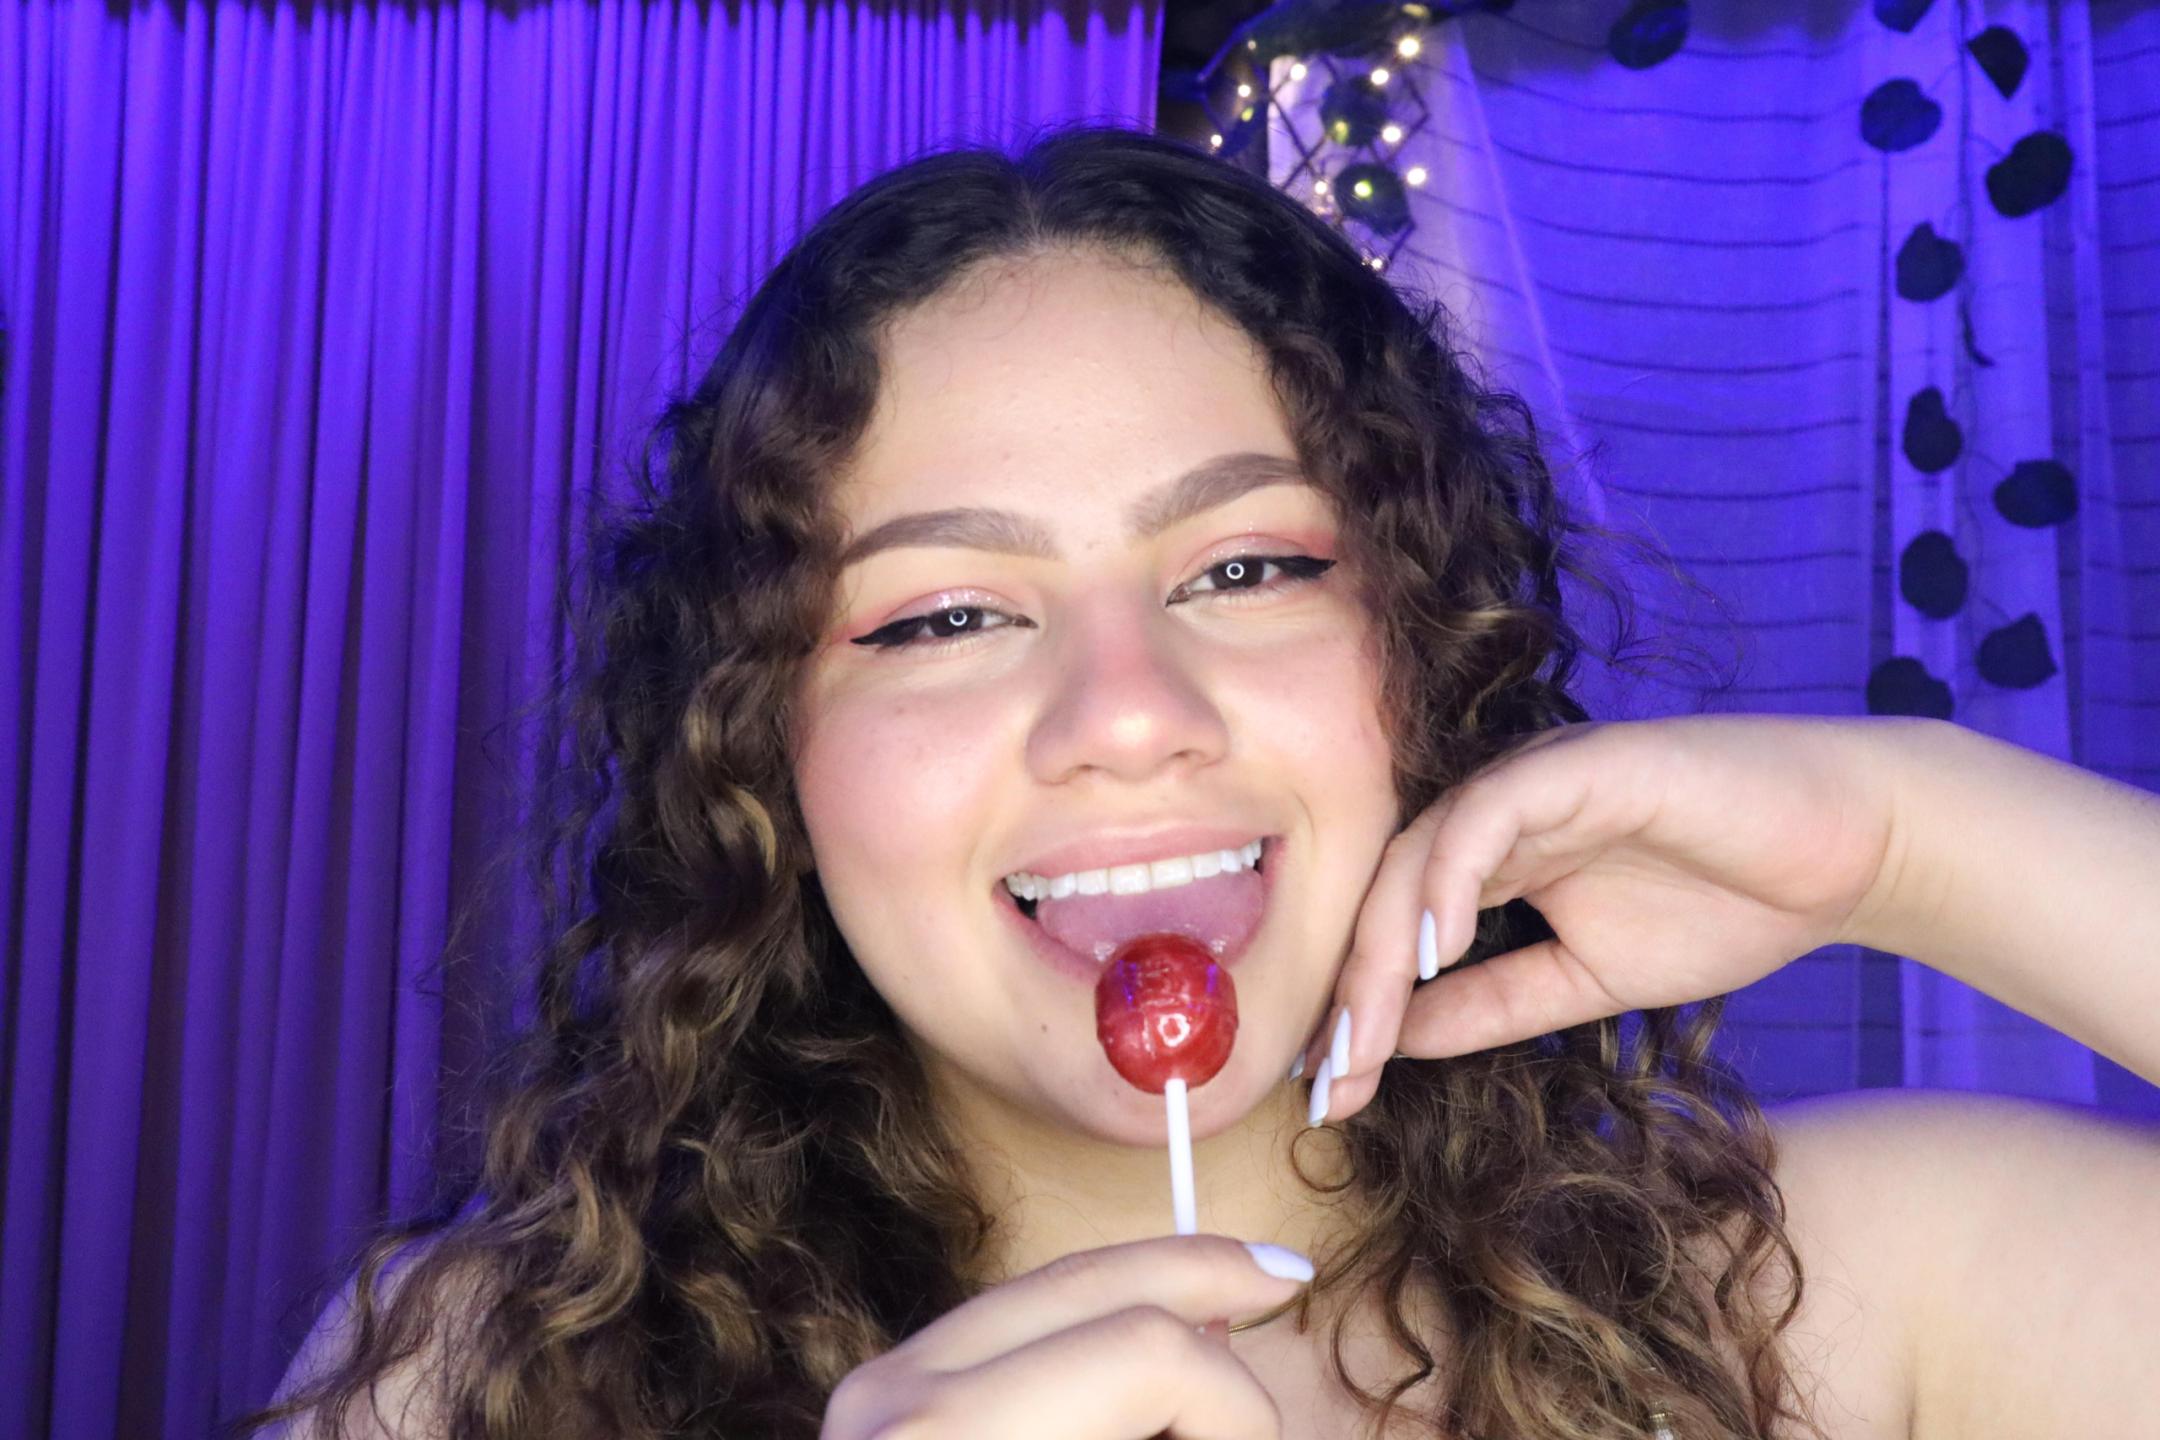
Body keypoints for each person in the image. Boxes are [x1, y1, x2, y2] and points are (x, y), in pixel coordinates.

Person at [236, 123, 2160, 1440]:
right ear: (763, 754)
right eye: (943, 616)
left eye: (1247, 570)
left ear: (1424, 649)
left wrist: (1903, 835)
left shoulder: (1844, 1297)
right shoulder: (491, 1376)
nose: (1129, 711)